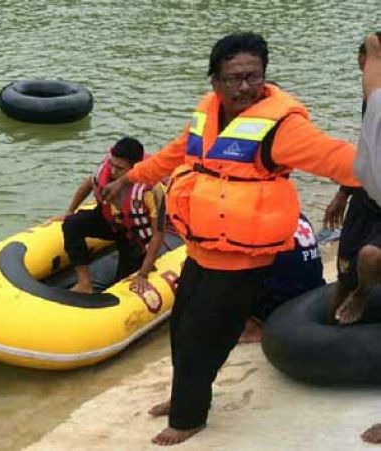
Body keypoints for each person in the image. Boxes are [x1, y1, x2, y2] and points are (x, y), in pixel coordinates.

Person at [102, 32, 359, 446]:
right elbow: (174, 154)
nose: (244, 87)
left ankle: (189, 417)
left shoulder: (283, 127)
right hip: (202, 249)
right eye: (233, 78)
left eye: (252, 77)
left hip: (242, 259)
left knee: (207, 334)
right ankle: (184, 394)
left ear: (264, 76)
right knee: (183, 326)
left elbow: (338, 158)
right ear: (215, 81)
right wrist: (131, 178)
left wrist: (367, 176)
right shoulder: (207, 114)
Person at [60, 137, 167, 294]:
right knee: (71, 224)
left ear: (135, 168)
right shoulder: (105, 170)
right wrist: (70, 211)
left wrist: (143, 274)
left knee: (122, 279)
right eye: (113, 165)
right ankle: (84, 282)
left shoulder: (152, 190)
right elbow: (88, 184)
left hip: (134, 233)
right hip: (110, 220)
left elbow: (158, 234)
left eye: (120, 168)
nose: (113, 171)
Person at [326, 33, 381, 327]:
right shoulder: (372, 102)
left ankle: (361, 294)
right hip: (366, 195)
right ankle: (330, 328)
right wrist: (343, 193)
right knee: (346, 264)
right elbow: (366, 151)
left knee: (371, 256)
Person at [239, 213, 325, 343]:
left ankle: (250, 329)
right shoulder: (297, 215)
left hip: (278, 307)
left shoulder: (249, 222)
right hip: (313, 294)